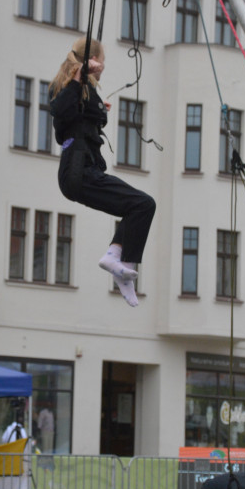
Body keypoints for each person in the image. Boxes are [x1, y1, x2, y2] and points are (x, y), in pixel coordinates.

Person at [50, 37, 156, 307]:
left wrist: (97, 109)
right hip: (78, 172)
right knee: (143, 204)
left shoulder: (82, 91)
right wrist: (79, 77)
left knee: (139, 206)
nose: (103, 68)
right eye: (102, 62)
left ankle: (115, 257)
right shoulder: (70, 87)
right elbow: (59, 111)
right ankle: (124, 267)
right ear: (93, 60)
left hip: (82, 172)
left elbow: (78, 117)